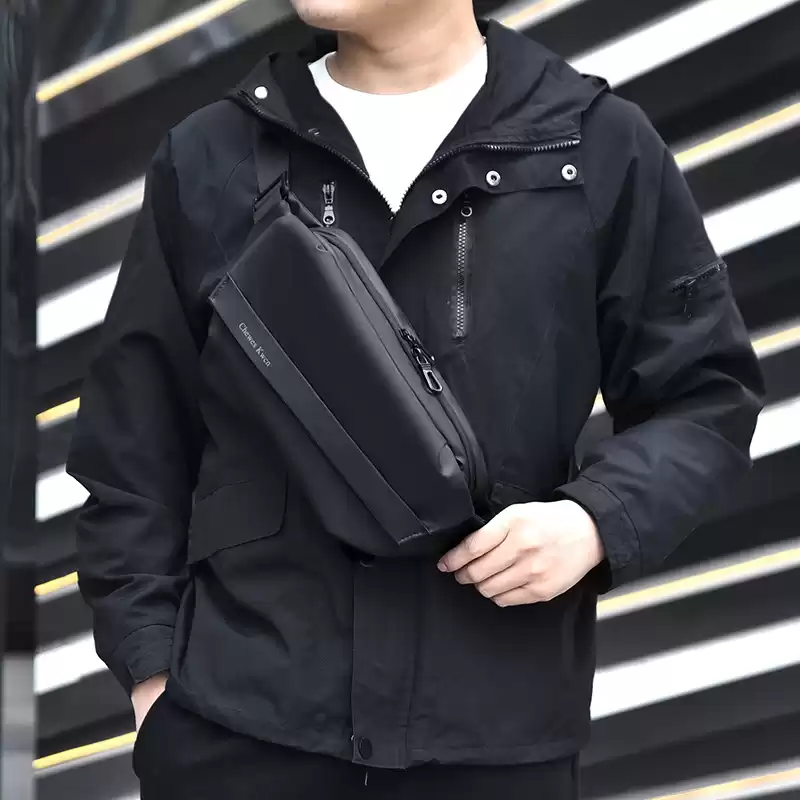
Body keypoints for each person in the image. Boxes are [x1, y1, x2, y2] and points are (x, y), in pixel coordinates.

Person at [65, 1, 765, 797]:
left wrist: (594, 521)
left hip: (492, 748)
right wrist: (154, 683)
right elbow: (132, 449)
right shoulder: (213, 154)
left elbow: (705, 397)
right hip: (240, 738)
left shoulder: (595, 148)